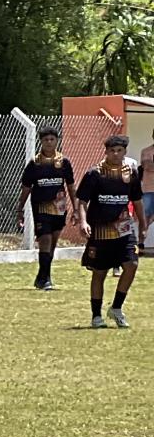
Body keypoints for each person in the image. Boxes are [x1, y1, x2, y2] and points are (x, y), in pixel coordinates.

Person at [76, 133, 144, 328]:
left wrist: (143, 224)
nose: (115, 154)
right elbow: (82, 200)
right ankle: (96, 316)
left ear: (125, 152)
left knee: (131, 265)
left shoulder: (130, 173)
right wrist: (83, 221)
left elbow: (137, 200)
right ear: (105, 152)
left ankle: (116, 308)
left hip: (124, 229)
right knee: (100, 272)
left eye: (119, 151)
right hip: (100, 231)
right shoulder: (95, 173)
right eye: (112, 151)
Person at [17, 127, 82, 290]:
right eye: (45, 140)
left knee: (52, 243)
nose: (49, 143)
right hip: (40, 207)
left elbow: (71, 187)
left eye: (52, 139)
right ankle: (45, 280)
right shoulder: (34, 163)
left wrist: (75, 209)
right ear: (41, 142)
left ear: (57, 141)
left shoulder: (64, 162)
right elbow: (26, 188)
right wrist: (19, 209)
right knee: (44, 240)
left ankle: (42, 276)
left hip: (58, 208)